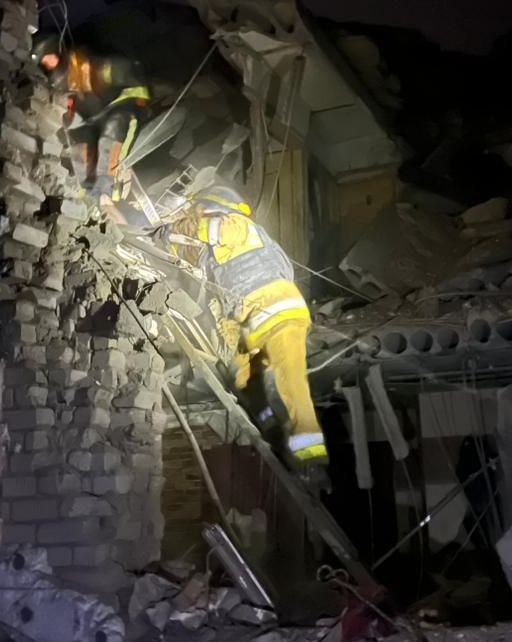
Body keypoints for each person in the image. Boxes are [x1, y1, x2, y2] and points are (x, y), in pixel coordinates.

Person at [165, 184, 329, 468]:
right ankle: (271, 429)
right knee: (245, 382)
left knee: (290, 383)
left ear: (215, 208)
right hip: (251, 325)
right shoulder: (216, 252)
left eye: (199, 209)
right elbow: (191, 255)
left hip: (279, 314)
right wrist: (166, 239)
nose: (195, 213)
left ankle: (311, 458)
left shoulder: (238, 225)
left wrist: (176, 226)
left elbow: (207, 231)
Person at [32, 36, 152, 200]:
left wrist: (137, 104)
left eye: (48, 58)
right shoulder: (61, 82)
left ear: (57, 51)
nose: (47, 64)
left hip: (122, 109)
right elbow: (71, 111)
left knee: (108, 138)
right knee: (79, 144)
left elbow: (128, 77)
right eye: (43, 63)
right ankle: (88, 195)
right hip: (94, 119)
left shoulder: (89, 64)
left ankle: (109, 194)